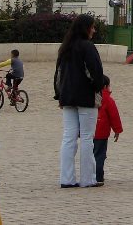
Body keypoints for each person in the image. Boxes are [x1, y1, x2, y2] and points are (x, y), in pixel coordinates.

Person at [53, 13, 105, 189]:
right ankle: (87, 179)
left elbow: (58, 74)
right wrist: (100, 85)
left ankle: (66, 178)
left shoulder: (65, 47)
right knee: (87, 138)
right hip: (86, 97)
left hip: (67, 97)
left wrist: (59, 94)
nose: (94, 30)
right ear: (86, 28)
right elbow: (95, 72)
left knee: (68, 138)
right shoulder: (87, 47)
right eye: (92, 26)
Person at [93, 75, 122, 185]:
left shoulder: (91, 96)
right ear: (106, 86)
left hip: (90, 131)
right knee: (100, 155)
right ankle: (98, 176)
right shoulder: (108, 100)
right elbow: (114, 116)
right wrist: (117, 130)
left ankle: (89, 174)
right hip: (102, 133)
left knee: (91, 154)